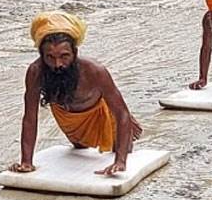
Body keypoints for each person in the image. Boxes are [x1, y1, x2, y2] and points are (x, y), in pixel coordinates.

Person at [11, 12, 143, 176]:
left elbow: (121, 113)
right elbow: (30, 118)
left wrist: (120, 161)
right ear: (41, 55)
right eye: (50, 57)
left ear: (75, 52)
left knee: (122, 153)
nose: (57, 64)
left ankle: (129, 136)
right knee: (80, 150)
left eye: (64, 56)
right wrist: (26, 162)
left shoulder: (95, 71)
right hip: (69, 120)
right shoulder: (35, 72)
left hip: (105, 116)